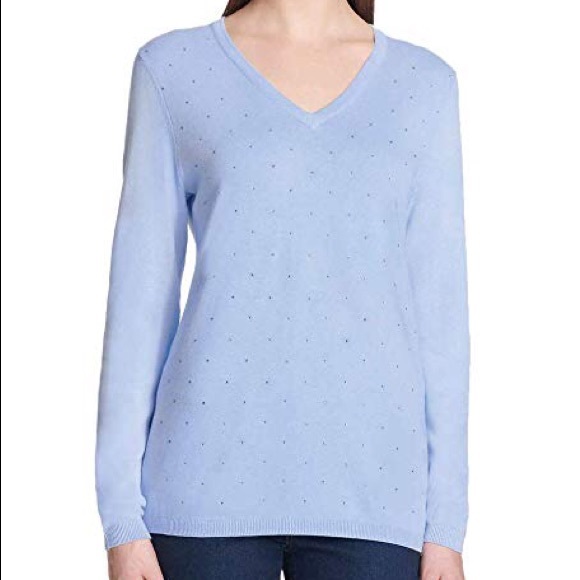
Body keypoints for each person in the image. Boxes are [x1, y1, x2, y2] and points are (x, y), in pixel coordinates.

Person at [95, 0, 471, 578]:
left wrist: (445, 525)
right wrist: (121, 516)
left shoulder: (424, 86)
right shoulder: (173, 69)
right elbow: (139, 303)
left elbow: (441, 319)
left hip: (377, 503)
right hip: (200, 496)